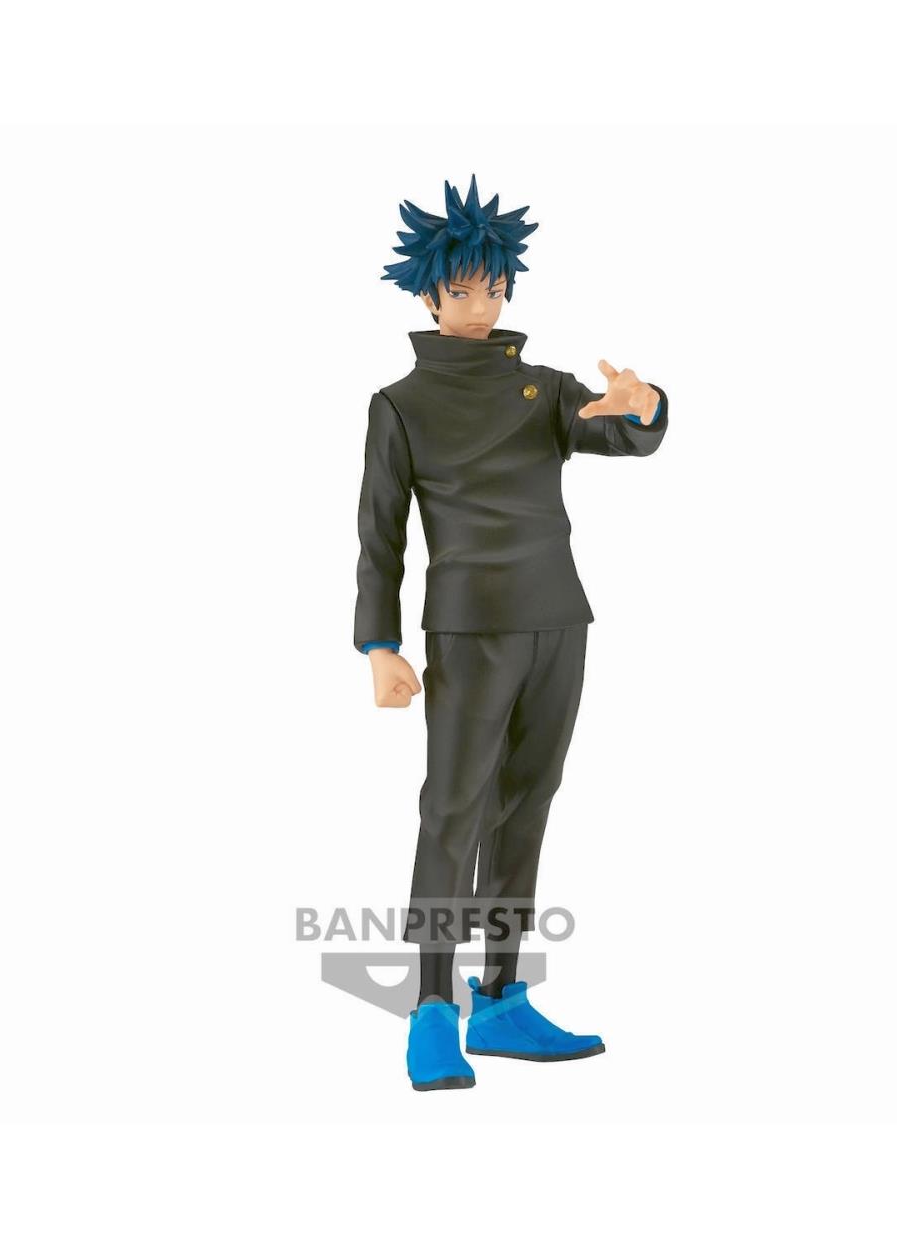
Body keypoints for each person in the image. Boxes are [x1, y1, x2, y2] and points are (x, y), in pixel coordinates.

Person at [354, 174, 669, 1091]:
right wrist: (380, 646)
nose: (481, 304)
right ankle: (431, 1009)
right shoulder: (400, 404)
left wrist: (643, 405)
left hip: (559, 621)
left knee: (526, 808)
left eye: (494, 287)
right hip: (468, 631)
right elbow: (379, 535)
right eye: (463, 289)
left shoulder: (544, 388)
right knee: (452, 812)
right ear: (428, 296)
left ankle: (500, 1000)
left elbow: (620, 435)